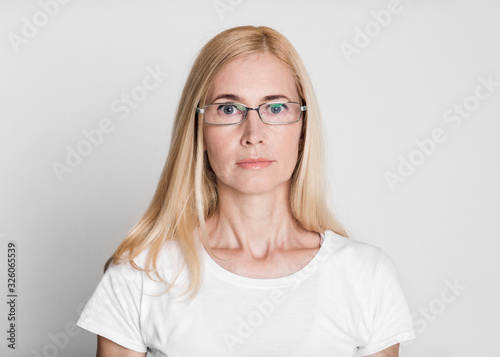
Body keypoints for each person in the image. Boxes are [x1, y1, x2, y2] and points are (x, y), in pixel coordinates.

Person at [76, 25, 416, 356]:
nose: (253, 133)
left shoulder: (366, 276)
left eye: (276, 107)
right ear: (199, 130)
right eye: (228, 108)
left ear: (302, 128)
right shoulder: (142, 274)